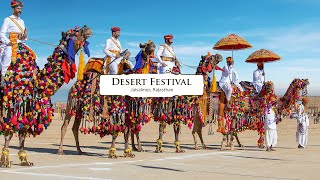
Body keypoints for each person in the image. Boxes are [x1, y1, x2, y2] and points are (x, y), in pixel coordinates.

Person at [0, 0, 27, 86]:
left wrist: (24, 37)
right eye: (18, 8)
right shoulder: (8, 19)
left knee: (31, 57)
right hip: (10, 42)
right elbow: (1, 33)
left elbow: (23, 35)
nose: (20, 10)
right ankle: (2, 77)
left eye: (20, 8)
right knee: (7, 55)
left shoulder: (22, 21)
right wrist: (8, 42)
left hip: (20, 43)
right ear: (14, 9)